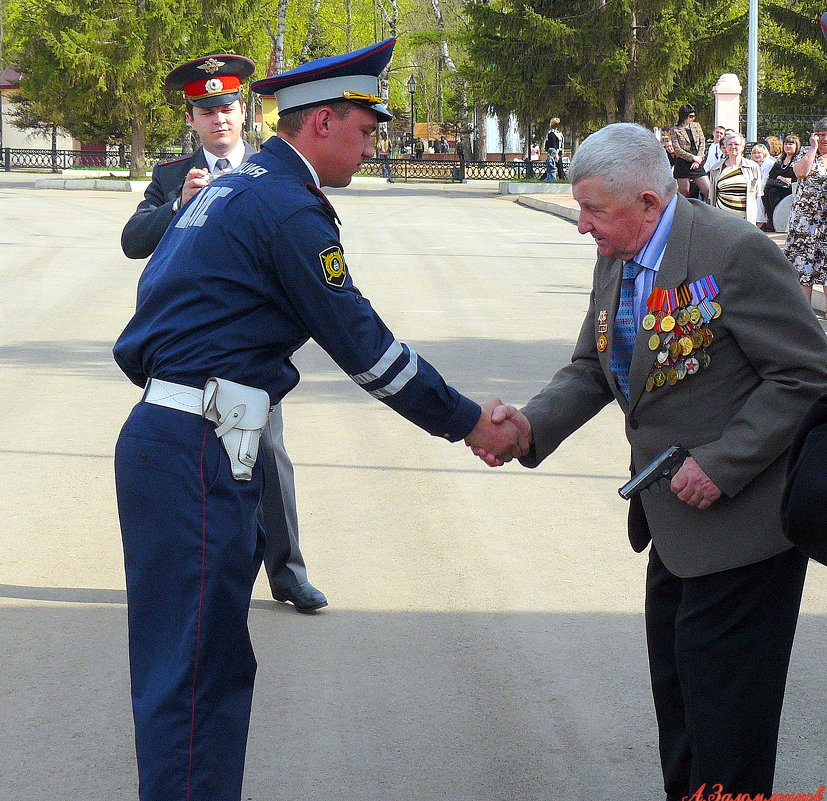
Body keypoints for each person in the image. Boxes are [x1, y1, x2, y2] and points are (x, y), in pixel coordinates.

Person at [112, 37, 528, 801]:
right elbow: (364, 347)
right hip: (196, 449)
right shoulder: (284, 207)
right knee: (198, 673)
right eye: (367, 130)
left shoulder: (231, 191)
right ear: (321, 123)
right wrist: (468, 420)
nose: (374, 145)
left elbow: (155, 312)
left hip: (177, 440)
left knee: (194, 665)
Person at [472, 123, 827, 801]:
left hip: (743, 531)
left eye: (593, 210)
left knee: (727, 732)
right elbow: (591, 368)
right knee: (682, 718)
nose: (581, 226)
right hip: (671, 527)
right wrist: (525, 429)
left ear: (646, 200)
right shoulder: (618, 250)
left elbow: (806, 374)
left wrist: (723, 461)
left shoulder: (734, 252)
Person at [120, 55, 327, 613]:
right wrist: (175, 207)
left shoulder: (269, 168)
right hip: (187, 347)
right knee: (188, 465)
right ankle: (200, 574)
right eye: (207, 110)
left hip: (250, 345)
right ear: (191, 119)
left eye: (229, 107)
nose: (220, 119)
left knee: (267, 457)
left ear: (244, 111)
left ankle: (287, 574)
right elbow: (132, 241)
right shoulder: (170, 177)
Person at [784, 122, 827, 303]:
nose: (825, 138)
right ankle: (806, 319)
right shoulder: (805, 153)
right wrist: (813, 148)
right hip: (805, 223)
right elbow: (801, 172)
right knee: (803, 269)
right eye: (821, 134)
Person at [707, 133, 762, 224]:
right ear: (725, 147)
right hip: (722, 217)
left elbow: (757, 194)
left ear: (742, 147)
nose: (733, 147)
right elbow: (712, 195)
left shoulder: (752, 167)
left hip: (744, 218)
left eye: (736, 144)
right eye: (730, 144)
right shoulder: (715, 168)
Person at [670, 104, 711, 198]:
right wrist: (692, 158)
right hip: (683, 163)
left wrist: (698, 158)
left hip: (697, 161)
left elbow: (702, 142)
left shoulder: (696, 126)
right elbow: (677, 149)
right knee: (684, 192)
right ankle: (683, 211)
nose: (693, 118)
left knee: (708, 190)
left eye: (693, 116)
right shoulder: (675, 130)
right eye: (690, 116)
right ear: (684, 116)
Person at [762, 134, 800, 232]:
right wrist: (781, 177)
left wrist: (787, 179)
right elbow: (772, 174)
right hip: (778, 186)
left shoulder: (798, 159)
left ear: (796, 146)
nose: (788, 146)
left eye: (791, 144)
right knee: (766, 192)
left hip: (791, 189)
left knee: (773, 192)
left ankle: (778, 221)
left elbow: (797, 175)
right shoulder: (781, 159)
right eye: (786, 144)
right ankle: (771, 221)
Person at [749, 143, 776, 228]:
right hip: (758, 188)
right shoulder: (752, 164)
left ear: (764, 154)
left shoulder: (768, 164)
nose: (756, 155)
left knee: (758, 198)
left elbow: (764, 181)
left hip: (767, 188)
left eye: (759, 153)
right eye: (754, 153)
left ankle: (760, 221)